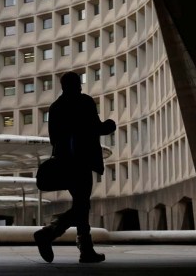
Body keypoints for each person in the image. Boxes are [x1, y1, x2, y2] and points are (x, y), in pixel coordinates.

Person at [33, 71, 116, 263]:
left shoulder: (55, 108)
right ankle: (49, 233)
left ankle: (85, 249)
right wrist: (109, 125)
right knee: (82, 204)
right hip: (82, 161)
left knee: (81, 203)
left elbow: (54, 138)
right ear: (77, 85)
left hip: (65, 162)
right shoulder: (84, 102)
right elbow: (96, 128)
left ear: (62, 86)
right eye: (79, 83)